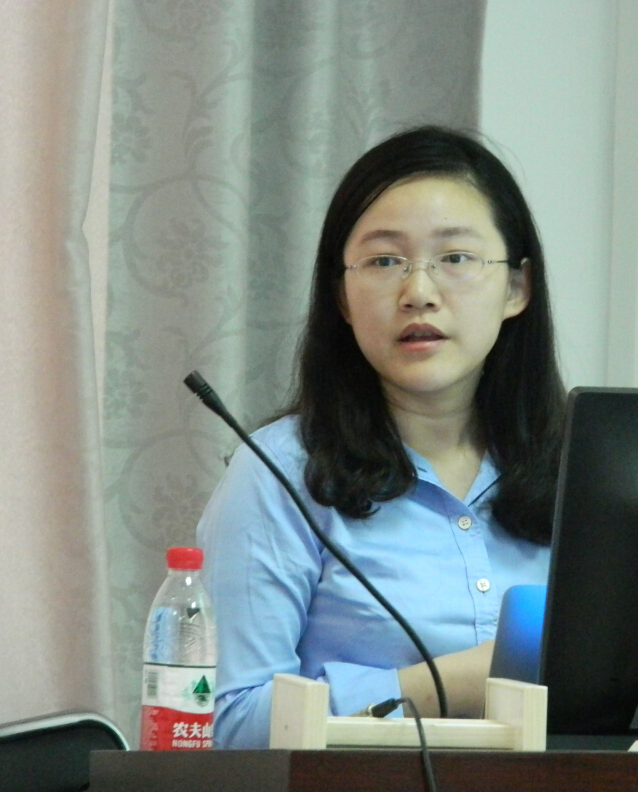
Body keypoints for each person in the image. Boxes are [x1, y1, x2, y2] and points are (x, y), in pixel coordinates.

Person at [197, 126, 566, 749]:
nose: (418, 293)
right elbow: (228, 726)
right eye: (385, 261)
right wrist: (448, 685)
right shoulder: (281, 473)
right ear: (341, 295)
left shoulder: (583, 473)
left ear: (516, 287)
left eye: (456, 258)